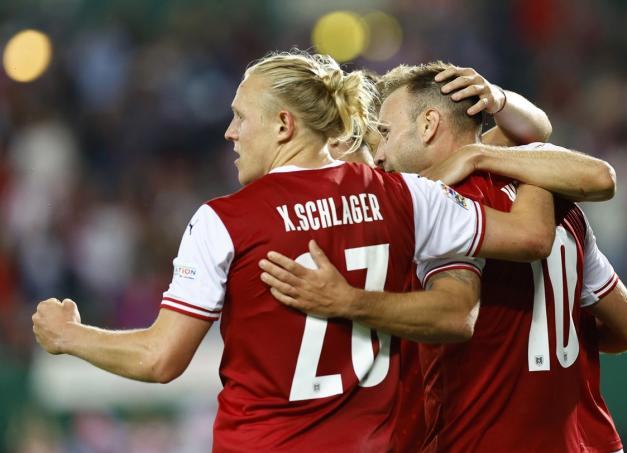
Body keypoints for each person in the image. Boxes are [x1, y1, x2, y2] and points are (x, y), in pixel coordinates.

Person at [32, 50, 564, 452]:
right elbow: (529, 238)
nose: (229, 132)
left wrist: (68, 336)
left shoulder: (224, 221)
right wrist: (501, 155)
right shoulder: (408, 195)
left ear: (284, 124)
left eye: (242, 117)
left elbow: (159, 359)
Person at [259, 62, 627, 452]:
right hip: (590, 442)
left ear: (428, 125)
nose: (378, 151)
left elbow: (459, 309)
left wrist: (346, 301)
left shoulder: (441, 208)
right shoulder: (554, 196)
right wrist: (555, 353)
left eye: (386, 133)